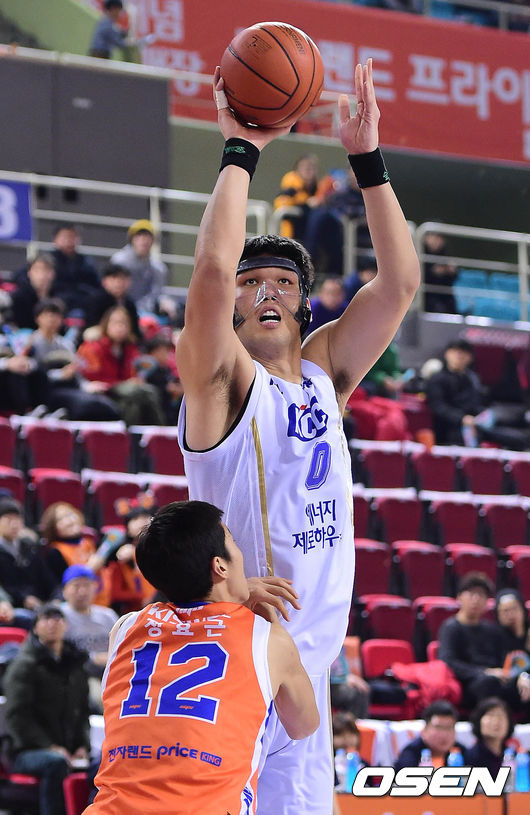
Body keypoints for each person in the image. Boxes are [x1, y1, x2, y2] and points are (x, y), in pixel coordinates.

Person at [175, 60, 419, 814]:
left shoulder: (323, 375)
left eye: (283, 282)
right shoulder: (221, 383)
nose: (266, 291)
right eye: (252, 283)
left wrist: (367, 160)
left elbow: (399, 284)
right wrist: (242, 148)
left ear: (305, 306)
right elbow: (209, 275)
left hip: (306, 674)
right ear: (234, 309)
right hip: (235, 658)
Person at [85, 500, 319, 815]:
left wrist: (229, 592)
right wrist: (259, 614)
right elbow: (304, 726)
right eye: (233, 543)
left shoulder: (125, 628)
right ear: (220, 566)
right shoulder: (268, 639)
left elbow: (188, 614)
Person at [4, 602, 91, 815]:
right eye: (46, 618)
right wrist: (49, 746)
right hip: (25, 752)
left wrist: (83, 746)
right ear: (35, 627)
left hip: (67, 749)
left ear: (66, 625)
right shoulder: (23, 666)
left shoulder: (75, 665)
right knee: (56, 763)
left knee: (102, 761)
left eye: (58, 618)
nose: (53, 623)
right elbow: (17, 717)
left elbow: (83, 712)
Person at [438, 572, 530, 712]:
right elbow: (448, 662)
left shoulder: (491, 629)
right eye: (471, 593)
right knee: (488, 683)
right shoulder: (451, 627)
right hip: (467, 682)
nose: (476, 599)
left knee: (524, 684)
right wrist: (485, 672)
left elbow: (504, 659)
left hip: (497, 678)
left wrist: (520, 677)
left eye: (481, 595)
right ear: (459, 597)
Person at [426, 339, 530, 450]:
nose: (459, 356)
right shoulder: (438, 379)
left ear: (470, 357)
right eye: (455, 352)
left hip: (477, 425)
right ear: (447, 354)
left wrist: (484, 415)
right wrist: (462, 418)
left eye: (463, 353)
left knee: (519, 439)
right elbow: (439, 407)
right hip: (451, 428)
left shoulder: (472, 379)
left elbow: (477, 403)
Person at [77, 305, 165, 425]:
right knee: (143, 392)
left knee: (142, 396)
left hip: (126, 390)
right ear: (106, 324)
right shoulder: (92, 347)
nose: (120, 328)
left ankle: (146, 432)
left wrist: (136, 380)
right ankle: (159, 429)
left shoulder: (131, 349)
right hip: (103, 387)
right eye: (116, 323)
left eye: (124, 324)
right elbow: (85, 372)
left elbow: (134, 373)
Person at [60, 564, 118, 713]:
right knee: (101, 699)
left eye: (87, 585)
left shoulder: (107, 616)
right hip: (80, 674)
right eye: (76, 586)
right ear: (64, 590)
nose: (82, 591)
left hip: (112, 672)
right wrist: (93, 658)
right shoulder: (59, 616)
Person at [0, 497, 56, 612]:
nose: (14, 525)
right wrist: (23, 599)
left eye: (17, 519)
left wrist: (56, 597)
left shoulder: (30, 547)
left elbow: (46, 578)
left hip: (39, 603)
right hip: (11, 608)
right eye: (8, 520)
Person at [111, 219, 168, 312]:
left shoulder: (159, 268)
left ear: (153, 241)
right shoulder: (119, 261)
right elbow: (115, 291)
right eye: (138, 236)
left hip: (147, 311)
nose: (143, 240)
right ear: (131, 240)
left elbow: (157, 294)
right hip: (121, 309)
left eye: (147, 237)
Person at [394, 700, 466, 771]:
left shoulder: (462, 752)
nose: (444, 734)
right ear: (424, 730)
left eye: (449, 728)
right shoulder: (411, 754)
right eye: (438, 727)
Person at [49, 224, 101, 314]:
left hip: (83, 302)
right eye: (65, 237)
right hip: (57, 301)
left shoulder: (85, 261)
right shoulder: (48, 260)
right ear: (55, 240)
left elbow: (95, 284)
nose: (69, 241)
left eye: (73, 237)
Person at [84, 262, 141, 339]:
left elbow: (135, 330)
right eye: (114, 278)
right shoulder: (96, 300)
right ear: (104, 281)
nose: (118, 283)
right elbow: (90, 325)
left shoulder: (129, 303)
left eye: (123, 279)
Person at [466, 697, 515, 778]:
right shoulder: (469, 756)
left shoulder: (514, 755)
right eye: (491, 715)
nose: (496, 722)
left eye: (501, 716)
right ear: (479, 720)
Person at [10, 253, 56, 330]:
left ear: (53, 273)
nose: (42, 275)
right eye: (37, 270)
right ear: (29, 272)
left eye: (46, 270)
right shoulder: (19, 297)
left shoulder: (57, 297)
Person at [330, 645, 370, 718]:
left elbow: (344, 669)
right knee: (356, 693)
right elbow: (324, 675)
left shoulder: (340, 645)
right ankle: (351, 722)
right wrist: (345, 679)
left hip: (339, 682)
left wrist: (352, 678)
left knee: (363, 688)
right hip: (329, 685)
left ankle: (359, 722)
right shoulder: (323, 646)